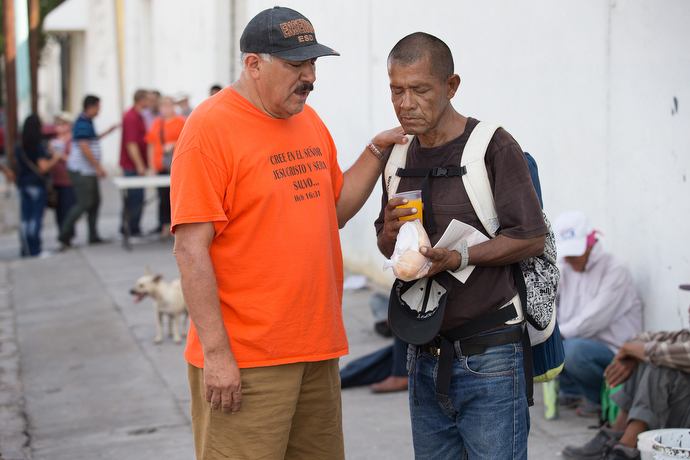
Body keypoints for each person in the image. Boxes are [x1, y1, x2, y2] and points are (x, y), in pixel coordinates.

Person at [170, 7, 406, 459]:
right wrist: (217, 354)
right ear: (254, 65)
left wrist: (378, 149)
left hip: (317, 348)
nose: (310, 77)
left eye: (313, 63)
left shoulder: (307, 121)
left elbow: (332, 210)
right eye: (296, 65)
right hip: (248, 360)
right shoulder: (209, 130)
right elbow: (189, 249)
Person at [375, 32, 547, 459]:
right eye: (397, 90)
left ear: (450, 87)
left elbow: (530, 237)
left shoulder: (492, 146)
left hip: (490, 356)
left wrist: (460, 256)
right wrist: (391, 237)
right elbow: (384, 243)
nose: (406, 103)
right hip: (424, 355)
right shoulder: (397, 157)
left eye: (420, 90)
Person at [562, 284, 690, 460]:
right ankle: (617, 433)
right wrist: (631, 353)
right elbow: (644, 338)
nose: (689, 308)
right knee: (645, 360)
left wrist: (631, 350)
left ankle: (626, 448)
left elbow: (667, 352)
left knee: (658, 366)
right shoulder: (685, 335)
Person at [554, 211, 643, 414]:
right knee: (552, 342)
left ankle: (601, 400)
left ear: (590, 244)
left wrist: (557, 334)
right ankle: (573, 391)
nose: (568, 259)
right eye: (566, 253)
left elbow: (593, 320)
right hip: (577, 341)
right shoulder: (565, 269)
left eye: (574, 253)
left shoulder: (615, 269)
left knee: (571, 350)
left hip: (613, 351)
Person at [58, 95, 118, 247]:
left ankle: (93, 234)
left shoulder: (86, 122)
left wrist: (108, 132)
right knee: (84, 203)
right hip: (82, 170)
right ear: (91, 107)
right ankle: (64, 233)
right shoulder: (82, 121)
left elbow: (92, 140)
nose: (99, 110)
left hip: (88, 171)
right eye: (98, 106)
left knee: (95, 202)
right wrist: (97, 166)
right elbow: (84, 146)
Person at [15, 114, 64, 256]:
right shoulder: (37, 146)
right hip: (36, 184)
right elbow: (43, 167)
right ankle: (34, 249)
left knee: (25, 219)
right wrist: (56, 158)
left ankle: (25, 249)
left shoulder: (19, 144)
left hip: (23, 184)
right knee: (35, 218)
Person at [145, 96, 185, 239]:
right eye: (164, 105)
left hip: (176, 165)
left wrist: (173, 144)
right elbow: (150, 144)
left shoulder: (181, 122)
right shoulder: (157, 123)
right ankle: (163, 225)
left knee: (176, 198)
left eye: (169, 105)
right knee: (162, 198)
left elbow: (188, 141)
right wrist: (151, 166)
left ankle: (177, 227)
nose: (167, 108)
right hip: (160, 165)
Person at [119, 89, 150, 237]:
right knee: (135, 197)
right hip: (132, 166)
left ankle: (129, 228)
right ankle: (131, 229)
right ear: (142, 100)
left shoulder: (137, 115)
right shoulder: (131, 117)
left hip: (134, 165)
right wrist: (140, 165)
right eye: (148, 99)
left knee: (135, 197)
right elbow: (131, 143)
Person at [47, 112, 76, 238]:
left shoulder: (73, 140)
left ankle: (68, 234)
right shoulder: (53, 141)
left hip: (69, 180)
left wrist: (60, 156)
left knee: (68, 209)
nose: (59, 126)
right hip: (56, 179)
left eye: (62, 124)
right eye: (57, 124)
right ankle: (62, 234)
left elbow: (74, 160)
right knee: (58, 210)